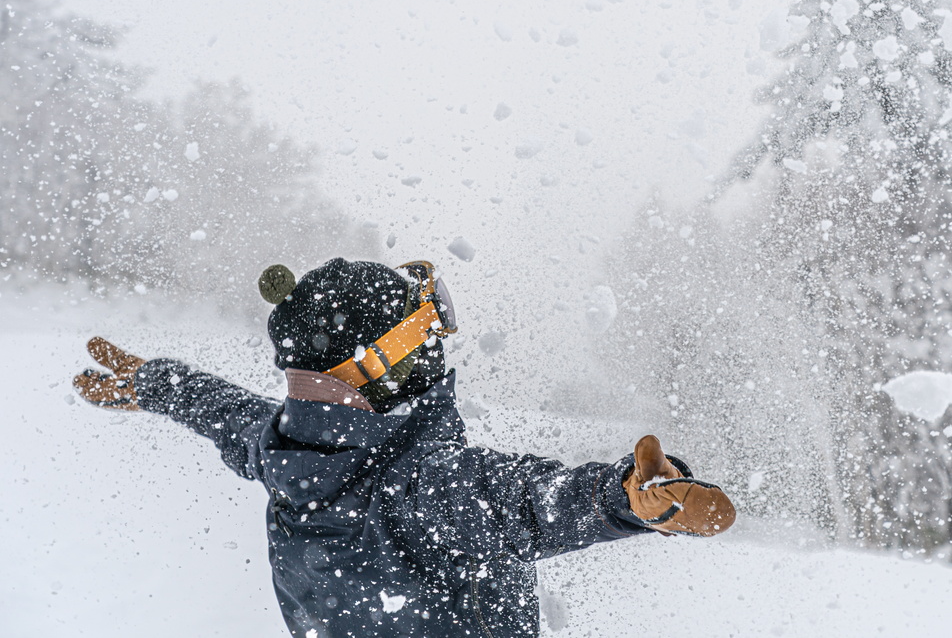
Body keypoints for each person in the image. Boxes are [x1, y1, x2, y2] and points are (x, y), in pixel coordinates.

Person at [74, 257, 735, 637]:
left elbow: (226, 412)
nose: (439, 341)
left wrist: (157, 383)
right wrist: (623, 497)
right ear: (390, 362)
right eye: (427, 328)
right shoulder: (426, 486)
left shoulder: (285, 454)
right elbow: (529, 499)